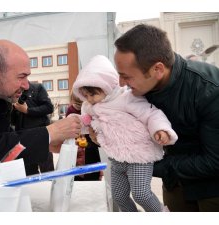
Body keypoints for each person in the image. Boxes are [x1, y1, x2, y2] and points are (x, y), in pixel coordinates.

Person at [113, 24, 219, 211]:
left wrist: (145, 165)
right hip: (174, 184)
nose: (121, 83)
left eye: (126, 76)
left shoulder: (208, 89)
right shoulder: (139, 90)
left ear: (157, 69)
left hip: (212, 190)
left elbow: (215, 160)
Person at [72, 55, 178, 212]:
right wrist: (73, 125)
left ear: (107, 86)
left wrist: (160, 129)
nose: (90, 99)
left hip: (139, 155)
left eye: (92, 94)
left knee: (141, 194)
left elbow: (151, 114)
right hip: (116, 158)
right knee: (119, 196)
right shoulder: (90, 107)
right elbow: (86, 122)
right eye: (85, 96)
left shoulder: (126, 98)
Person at [11, 81, 55, 175]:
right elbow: (13, 121)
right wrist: (13, 110)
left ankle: (50, 189)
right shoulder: (11, 92)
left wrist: (27, 111)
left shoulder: (37, 88)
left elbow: (49, 107)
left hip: (41, 135)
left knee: (48, 173)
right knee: (29, 174)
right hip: (24, 138)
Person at [65, 92, 102, 181]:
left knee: (78, 173)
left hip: (78, 145)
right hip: (91, 144)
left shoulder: (71, 109)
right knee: (92, 171)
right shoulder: (93, 108)